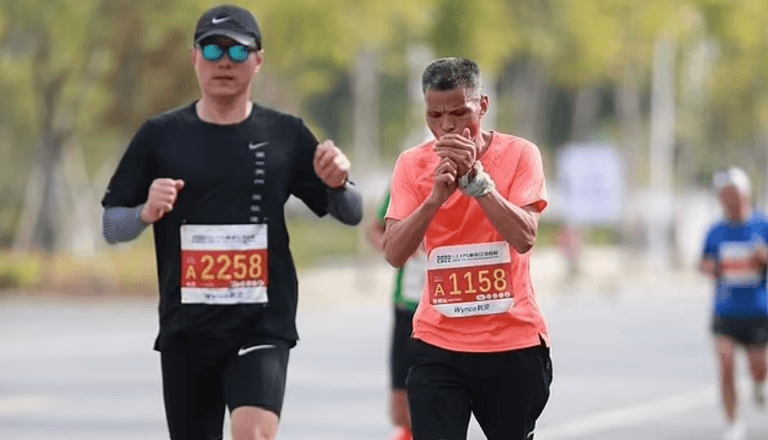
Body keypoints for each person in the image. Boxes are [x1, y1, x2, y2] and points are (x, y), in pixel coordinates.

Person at [100, 5, 362, 440]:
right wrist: (145, 212)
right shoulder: (159, 135)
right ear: (194, 57)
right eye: (213, 48)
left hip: (262, 321)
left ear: (258, 61)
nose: (225, 61)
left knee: (253, 432)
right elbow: (112, 226)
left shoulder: (286, 134)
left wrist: (338, 184)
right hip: (187, 329)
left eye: (239, 52)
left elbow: (350, 212)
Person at [382, 57, 552, 440]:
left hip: (512, 343)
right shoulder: (412, 165)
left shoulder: (521, 154)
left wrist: (479, 185)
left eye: (460, 113)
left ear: (483, 106)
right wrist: (433, 200)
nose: (447, 126)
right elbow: (393, 252)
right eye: (435, 115)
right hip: (438, 344)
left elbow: (525, 236)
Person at [700, 167, 768, 440]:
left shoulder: (762, 226)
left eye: (733, 194)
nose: (728, 200)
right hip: (725, 310)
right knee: (725, 362)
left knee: (758, 367)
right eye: (723, 195)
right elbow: (704, 262)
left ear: (745, 194)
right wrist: (715, 267)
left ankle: (758, 383)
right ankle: (733, 423)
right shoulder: (715, 231)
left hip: (757, 310)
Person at [366, 188, 426, 440]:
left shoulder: (473, 173)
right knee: (400, 410)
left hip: (451, 306)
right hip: (408, 303)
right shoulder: (408, 171)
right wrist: (394, 248)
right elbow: (374, 230)